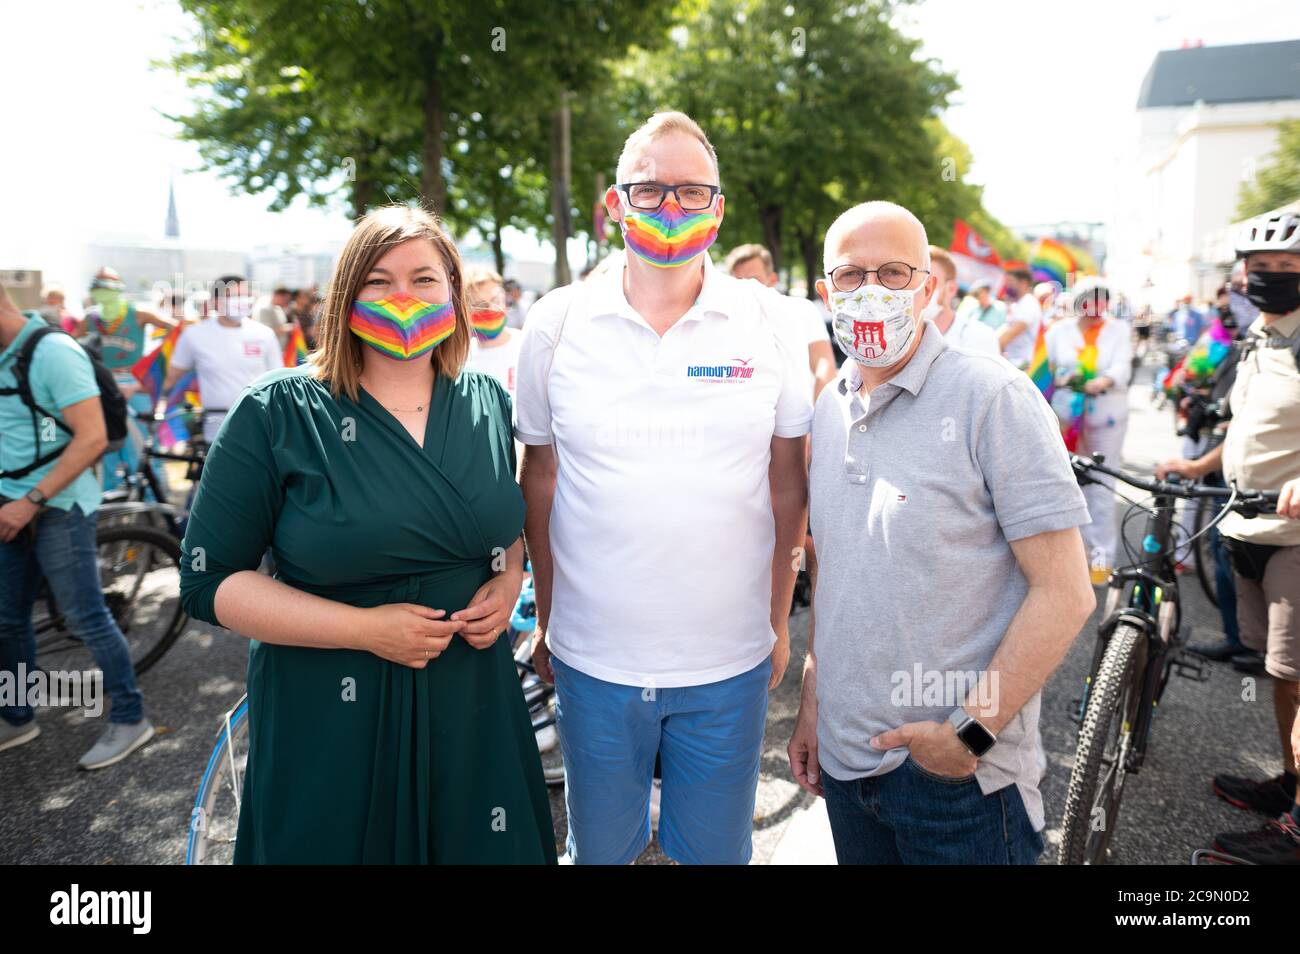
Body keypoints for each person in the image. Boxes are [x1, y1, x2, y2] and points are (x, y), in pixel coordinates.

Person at [177, 205, 556, 864]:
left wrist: (506, 576)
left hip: (471, 701)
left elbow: (505, 524)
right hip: (331, 707)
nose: (403, 297)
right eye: (379, 282)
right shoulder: (276, 413)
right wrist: (364, 630)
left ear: (454, 295)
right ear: (346, 296)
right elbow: (209, 583)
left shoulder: (489, 403)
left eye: (425, 280)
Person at [516, 110, 811, 865]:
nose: (670, 209)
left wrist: (777, 621)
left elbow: (788, 486)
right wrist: (548, 620)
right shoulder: (554, 323)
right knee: (600, 854)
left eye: (690, 191)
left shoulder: (773, 323)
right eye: (649, 191)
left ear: (719, 207)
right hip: (593, 660)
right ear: (615, 204)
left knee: (714, 856)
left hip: (728, 662)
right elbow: (540, 480)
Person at [787, 201, 1095, 865]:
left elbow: (1065, 593)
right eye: (851, 275)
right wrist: (815, 703)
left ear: (930, 288)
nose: (871, 290)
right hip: (848, 769)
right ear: (824, 291)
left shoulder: (993, 398)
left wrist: (968, 738)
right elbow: (835, 570)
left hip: (958, 787)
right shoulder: (827, 408)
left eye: (894, 273)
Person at [1157, 210, 1300, 865]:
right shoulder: (1263, 337)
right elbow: (1248, 431)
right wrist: (1198, 465)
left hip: (1293, 532)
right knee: (1282, 675)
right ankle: (1291, 786)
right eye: (1260, 268)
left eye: (1285, 267)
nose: (1268, 278)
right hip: (1246, 521)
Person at [0, 281, 153, 767]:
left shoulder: (54, 352)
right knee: (7, 620)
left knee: (87, 618)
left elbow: (90, 439)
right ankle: (16, 716)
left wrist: (31, 500)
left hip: (59, 506)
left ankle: (131, 718)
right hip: (12, 503)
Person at [1044, 277, 1133, 581]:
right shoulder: (1058, 331)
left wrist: (1103, 381)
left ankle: (1100, 562)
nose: (1096, 306)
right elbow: (1049, 370)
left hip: (1106, 418)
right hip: (1066, 419)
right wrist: (1065, 378)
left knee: (1101, 487)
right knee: (1068, 487)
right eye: (1090, 299)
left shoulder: (1118, 330)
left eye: (1102, 299)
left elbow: (1122, 367)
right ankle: (1072, 561)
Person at [82, 267, 177, 491]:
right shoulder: (90, 319)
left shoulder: (138, 314)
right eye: (98, 286)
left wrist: (154, 364)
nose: (103, 291)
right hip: (103, 389)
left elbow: (176, 330)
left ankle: (155, 497)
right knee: (106, 445)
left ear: (119, 289)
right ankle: (112, 497)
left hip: (134, 387)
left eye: (108, 286)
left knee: (142, 447)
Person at [164, 276, 281, 444]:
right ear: (216, 302)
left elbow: (277, 381)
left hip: (261, 430)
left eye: (246, 295)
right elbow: (172, 376)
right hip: (216, 433)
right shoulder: (194, 335)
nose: (243, 301)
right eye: (235, 296)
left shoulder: (264, 334)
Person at [724, 243, 838, 400]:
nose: (747, 287)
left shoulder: (801, 310)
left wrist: (819, 416)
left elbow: (824, 365)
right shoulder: (726, 320)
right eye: (739, 281)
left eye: (753, 280)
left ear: (772, 279)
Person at [925, 246, 999, 355]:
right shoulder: (898, 337)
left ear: (951, 289)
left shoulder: (979, 339)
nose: (917, 290)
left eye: (928, 283)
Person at [462, 265, 521, 400]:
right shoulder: (461, 359)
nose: (492, 309)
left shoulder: (526, 346)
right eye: (481, 305)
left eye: (496, 300)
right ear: (465, 311)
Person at [997, 267, 1044, 370]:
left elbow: (1011, 334)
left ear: (1023, 283)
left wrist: (988, 347)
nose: (1007, 286)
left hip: (1020, 364)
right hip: (1011, 361)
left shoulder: (1029, 304)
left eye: (1011, 281)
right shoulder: (1018, 303)